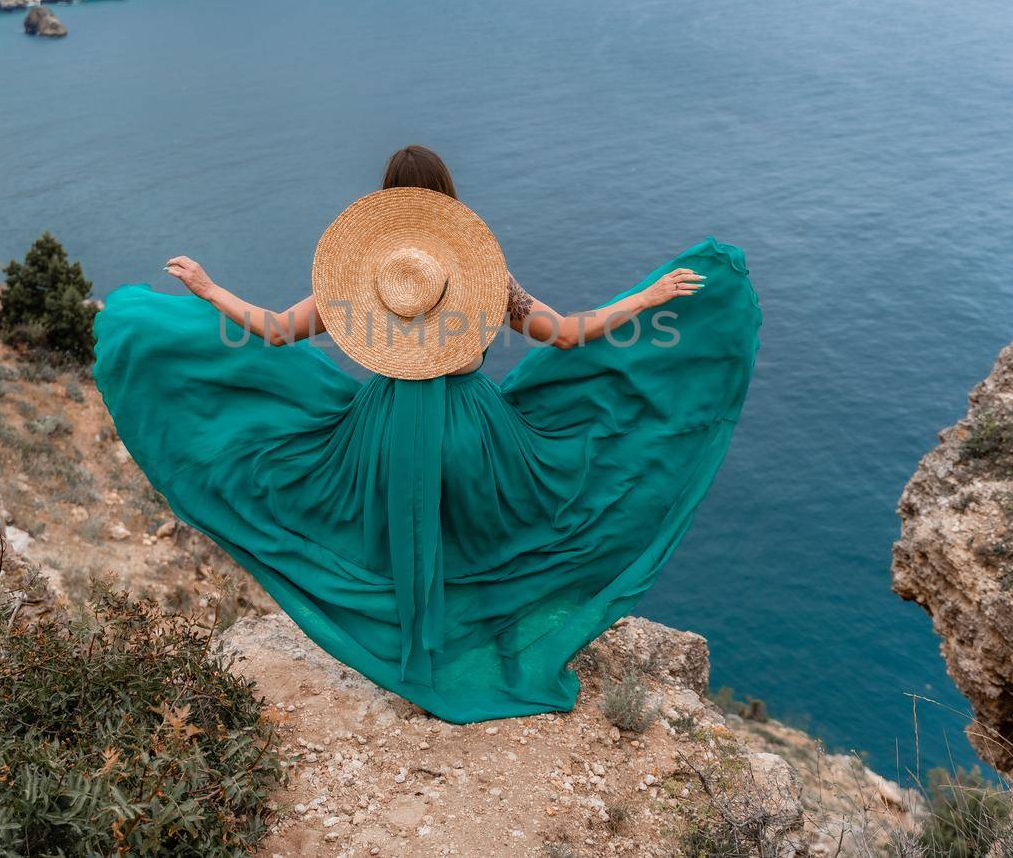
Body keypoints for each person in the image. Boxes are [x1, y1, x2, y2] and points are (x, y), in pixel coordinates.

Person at [93, 144, 760, 722]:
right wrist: (646, 299)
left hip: (381, 433)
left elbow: (269, 330)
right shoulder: (483, 277)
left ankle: (412, 659)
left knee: (389, 533)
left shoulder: (363, 278)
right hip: (472, 429)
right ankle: (492, 647)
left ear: (387, 204)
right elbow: (564, 333)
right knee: (499, 530)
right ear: (449, 204)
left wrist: (208, 289)